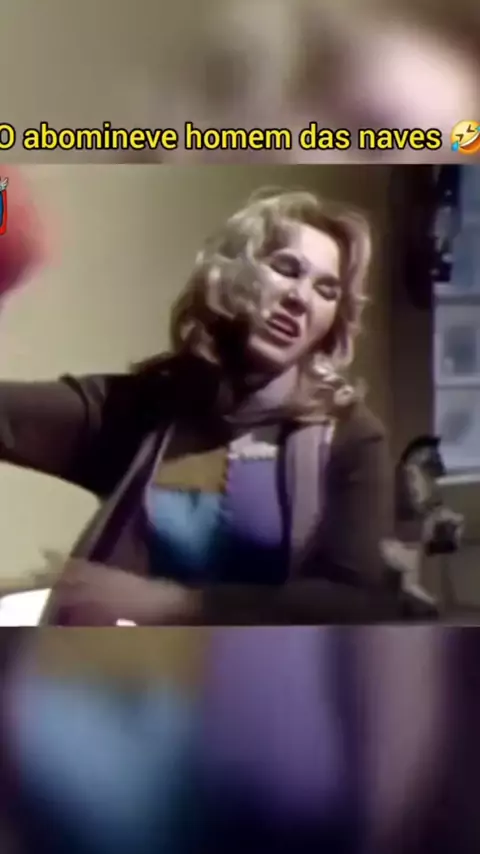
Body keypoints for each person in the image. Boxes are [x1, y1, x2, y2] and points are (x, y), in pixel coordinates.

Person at [0, 189, 434, 625]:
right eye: (286, 268)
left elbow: (354, 601)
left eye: (327, 290)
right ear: (230, 275)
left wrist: (174, 605)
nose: (301, 298)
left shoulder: (351, 436)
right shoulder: (150, 403)